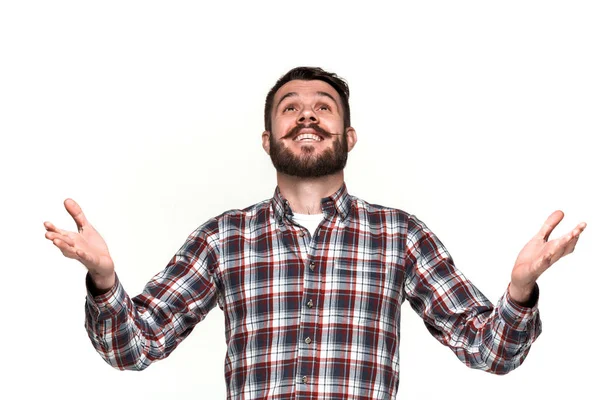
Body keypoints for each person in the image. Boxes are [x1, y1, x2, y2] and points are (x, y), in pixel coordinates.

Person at [44, 67, 586, 400]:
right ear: (267, 139)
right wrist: (104, 279)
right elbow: (134, 347)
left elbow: (491, 352)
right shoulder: (223, 238)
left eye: (323, 108)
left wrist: (519, 291)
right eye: (291, 108)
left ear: (348, 135)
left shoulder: (400, 236)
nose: (307, 117)